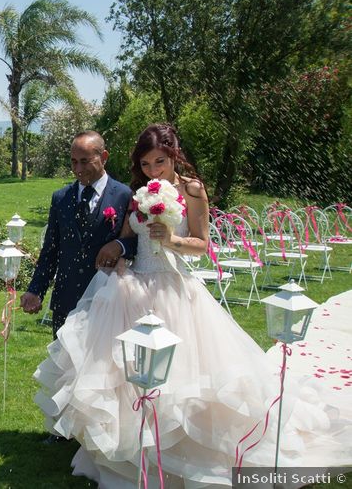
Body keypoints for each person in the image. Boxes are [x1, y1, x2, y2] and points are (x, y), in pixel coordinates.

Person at [32, 124, 352, 485]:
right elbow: (127, 236)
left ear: (173, 156)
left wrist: (171, 240)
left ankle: (183, 450)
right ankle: (135, 449)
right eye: (146, 163)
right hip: (135, 289)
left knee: (182, 378)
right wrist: (119, 254)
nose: (154, 170)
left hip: (174, 289)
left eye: (160, 161)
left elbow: (203, 245)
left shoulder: (193, 189)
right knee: (126, 376)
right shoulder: (137, 193)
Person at [20, 131, 134, 338]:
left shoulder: (124, 195)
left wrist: (119, 245)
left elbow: (137, 242)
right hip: (66, 299)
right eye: (74, 162)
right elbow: (50, 251)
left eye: (85, 161)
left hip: (107, 298)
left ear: (104, 157)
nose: (78, 170)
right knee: (63, 367)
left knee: (102, 368)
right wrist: (36, 290)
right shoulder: (61, 198)